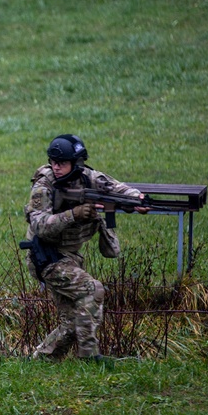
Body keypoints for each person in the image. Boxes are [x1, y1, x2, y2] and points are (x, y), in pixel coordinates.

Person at [24, 134, 145, 362]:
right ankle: (89, 357)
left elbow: (114, 187)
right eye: (53, 162)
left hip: (69, 257)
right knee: (92, 290)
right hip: (47, 258)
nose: (56, 167)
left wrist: (137, 199)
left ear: (76, 163)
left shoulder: (88, 178)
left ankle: (40, 361)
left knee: (71, 323)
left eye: (62, 163)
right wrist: (74, 214)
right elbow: (40, 226)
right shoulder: (44, 185)